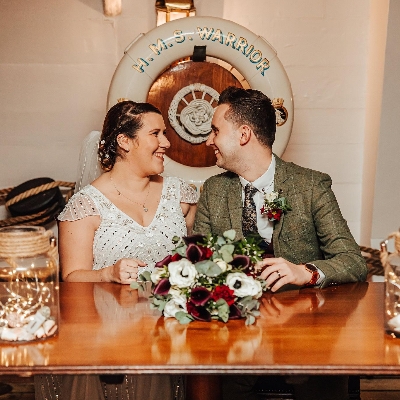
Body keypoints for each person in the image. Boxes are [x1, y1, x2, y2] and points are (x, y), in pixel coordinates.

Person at [193, 86, 367, 400]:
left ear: (243, 134)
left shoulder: (311, 185)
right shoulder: (213, 191)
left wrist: (306, 272)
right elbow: (199, 266)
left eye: (215, 131)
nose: (209, 141)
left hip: (305, 331)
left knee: (324, 382)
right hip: (233, 336)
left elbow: (352, 260)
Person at [34, 100, 198, 400]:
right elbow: (71, 277)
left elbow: (199, 256)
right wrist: (108, 272)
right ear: (125, 141)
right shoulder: (85, 205)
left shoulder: (182, 194)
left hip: (173, 331)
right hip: (111, 335)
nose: (166, 142)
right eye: (156, 134)